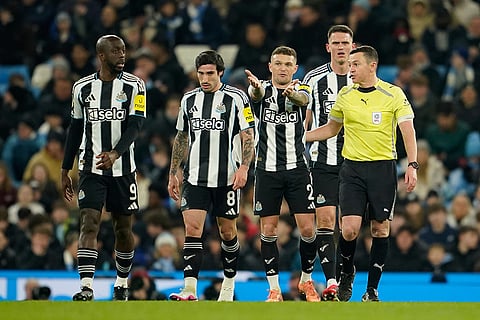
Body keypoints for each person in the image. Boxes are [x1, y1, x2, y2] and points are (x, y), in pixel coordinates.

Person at [306, 45, 418, 302]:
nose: (351, 69)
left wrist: (412, 165)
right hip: (352, 168)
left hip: (382, 169)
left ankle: (372, 290)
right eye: (350, 65)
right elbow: (332, 128)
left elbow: (408, 131)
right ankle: (347, 273)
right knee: (348, 230)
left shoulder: (393, 94)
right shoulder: (346, 94)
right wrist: (300, 137)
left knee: (380, 229)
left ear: (372, 66)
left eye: (356, 64)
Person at [61, 34, 146, 301]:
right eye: (116, 51)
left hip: (123, 169)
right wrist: (66, 168)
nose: (122, 55)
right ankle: (86, 287)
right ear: (102, 55)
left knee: (123, 228)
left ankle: (121, 282)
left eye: (123, 50)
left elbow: (136, 125)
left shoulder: (136, 86)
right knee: (88, 223)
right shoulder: (82, 88)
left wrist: (116, 153)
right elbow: (75, 128)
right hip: (90, 168)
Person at [167, 50, 255, 302]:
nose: (204, 78)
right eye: (201, 73)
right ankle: (189, 288)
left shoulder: (237, 98)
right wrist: (174, 171)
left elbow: (247, 135)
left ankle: (228, 284)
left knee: (227, 232)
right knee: (192, 228)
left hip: (227, 178)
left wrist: (244, 168)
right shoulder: (188, 100)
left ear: (220, 73)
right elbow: (182, 136)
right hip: (195, 178)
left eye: (209, 73)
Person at [245, 46, 319, 302]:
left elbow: (304, 101)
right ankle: (274, 288)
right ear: (270, 66)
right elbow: (255, 94)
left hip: (298, 167)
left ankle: (306, 280)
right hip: (267, 169)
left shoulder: (303, 87)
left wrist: (293, 94)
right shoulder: (261, 89)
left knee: (309, 229)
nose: (283, 68)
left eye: (288, 64)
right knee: (269, 229)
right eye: (278, 63)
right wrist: (254, 88)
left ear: (295, 68)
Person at [302, 24, 355, 301]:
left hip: (357, 162)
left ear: (352, 46)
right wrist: (301, 144)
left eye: (345, 43)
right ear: (328, 47)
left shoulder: (362, 78)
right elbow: (306, 117)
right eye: (336, 43)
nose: (341, 47)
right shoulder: (314, 79)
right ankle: (331, 281)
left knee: (349, 226)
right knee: (325, 221)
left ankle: (347, 271)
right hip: (322, 159)